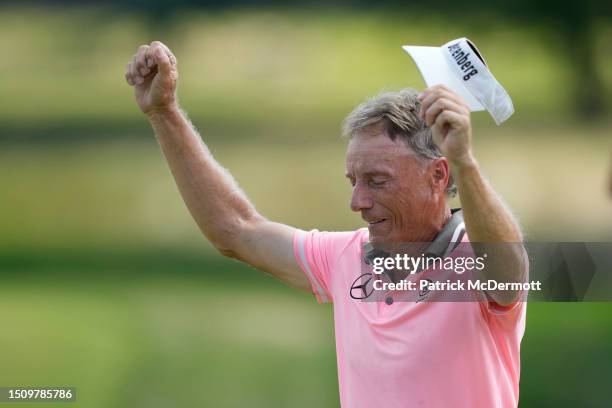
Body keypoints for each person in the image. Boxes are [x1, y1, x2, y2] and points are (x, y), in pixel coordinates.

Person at [125, 41, 528, 408]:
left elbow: (507, 266)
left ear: (439, 177)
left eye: (377, 181)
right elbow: (235, 230)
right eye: (354, 182)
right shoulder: (346, 257)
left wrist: (465, 161)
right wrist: (164, 112)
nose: (357, 202)